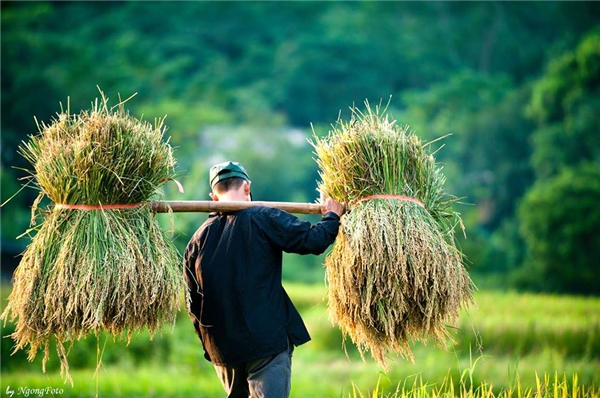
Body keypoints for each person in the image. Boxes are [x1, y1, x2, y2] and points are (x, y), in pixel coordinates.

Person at [183, 161, 345, 398]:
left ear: (213, 197)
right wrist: (332, 215)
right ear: (247, 188)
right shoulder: (264, 216)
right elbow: (313, 241)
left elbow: (192, 304)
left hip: (223, 351)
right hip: (265, 343)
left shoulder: (196, 241)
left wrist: (210, 345)